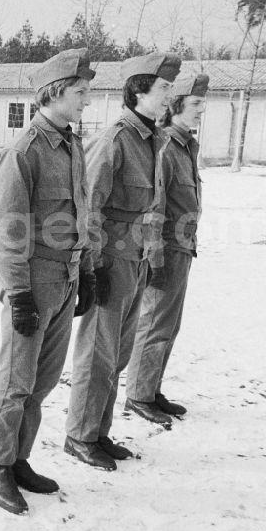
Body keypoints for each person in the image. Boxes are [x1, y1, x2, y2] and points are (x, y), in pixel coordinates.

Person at [0, 49, 95, 514]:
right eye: (81, 92)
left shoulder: (72, 145)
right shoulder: (23, 153)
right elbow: (7, 233)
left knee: (44, 381)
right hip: (33, 284)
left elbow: (83, 214)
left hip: (66, 280)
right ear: (55, 92)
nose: (87, 100)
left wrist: (85, 270)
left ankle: (19, 459)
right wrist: (19, 293)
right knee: (16, 382)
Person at [65, 52, 180, 471]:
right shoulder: (116, 139)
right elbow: (89, 208)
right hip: (110, 259)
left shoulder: (151, 139)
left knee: (119, 352)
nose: (171, 96)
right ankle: (79, 435)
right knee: (97, 350)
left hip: (137, 258)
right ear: (138, 91)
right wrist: (92, 267)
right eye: (164, 88)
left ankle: (98, 430)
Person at [124, 74, 208, 420]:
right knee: (155, 323)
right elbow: (155, 205)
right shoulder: (167, 148)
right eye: (195, 104)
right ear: (175, 108)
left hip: (182, 246)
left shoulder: (185, 145)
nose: (202, 110)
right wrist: (155, 256)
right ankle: (139, 396)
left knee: (169, 325)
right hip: (166, 249)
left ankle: (152, 388)